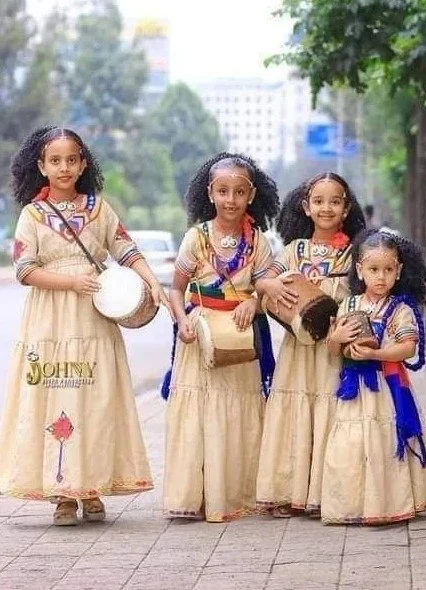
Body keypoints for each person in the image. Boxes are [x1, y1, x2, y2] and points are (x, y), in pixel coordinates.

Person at [0, 126, 170, 526]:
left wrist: (150, 280)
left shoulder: (98, 208)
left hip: (95, 319)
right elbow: (25, 270)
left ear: (83, 163)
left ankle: (91, 487)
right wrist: (72, 282)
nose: (64, 167)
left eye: (71, 159)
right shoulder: (32, 215)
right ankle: (62, 493)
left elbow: (125, 248)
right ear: (41, 166)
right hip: (51, 324)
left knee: (95, 398)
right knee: (56, 397)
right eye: (54, 160)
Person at [162, 152, 278, 523]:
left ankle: (234, 495)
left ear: (251, 194)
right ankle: (192, 497)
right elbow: (176, 290)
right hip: (200, 340)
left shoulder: (258, 242)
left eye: (239, 192)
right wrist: (183, 321)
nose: (231, 200)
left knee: (238, 416)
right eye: (223, 191)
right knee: (199, 416)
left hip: (241, 342)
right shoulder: (195, 238)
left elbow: (267, 289)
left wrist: (256, 301)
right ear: (210, 193)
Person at [255, 172, 366, 518]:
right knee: (294, 413)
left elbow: (365, 298)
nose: (326, 208)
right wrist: (270, 287)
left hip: (333, 350)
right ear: (306, 207)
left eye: (335, 201)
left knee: (330, 413)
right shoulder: (293, 250)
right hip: (297, 349)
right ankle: (289, 492)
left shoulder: (354, 253)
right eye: (318, 201)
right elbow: (263, 281)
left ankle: (325, 492)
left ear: (346, 208)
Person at [322, 229, 426, 524]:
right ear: (360, 270)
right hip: (352, 388)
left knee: (384, 442)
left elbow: (408, 348)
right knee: (351, 445)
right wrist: (337, 336)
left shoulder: (401, 309)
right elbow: (332, 348)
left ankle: (387, 504)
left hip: (386, 388)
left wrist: (375, 354)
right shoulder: (348, 305)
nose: (381, 277)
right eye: (373, 269)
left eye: (388, 270)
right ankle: (351, 504)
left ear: (399, 271)